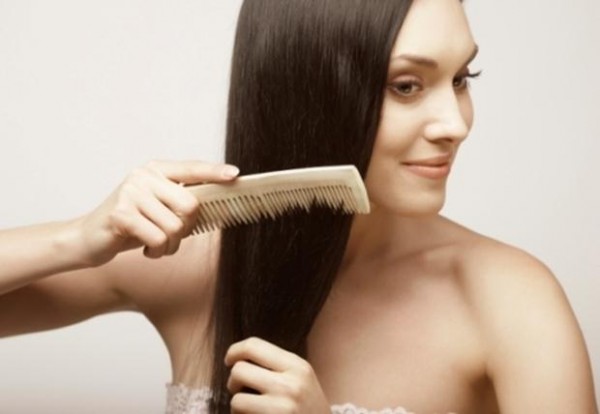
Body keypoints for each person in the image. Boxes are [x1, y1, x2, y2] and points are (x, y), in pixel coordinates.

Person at [0, 0, 597, 413]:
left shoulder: (508, 300)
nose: (455, 124)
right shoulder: (189, 260)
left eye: (463, 77)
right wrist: (78, 238)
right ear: (309, 88)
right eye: (408, 86)